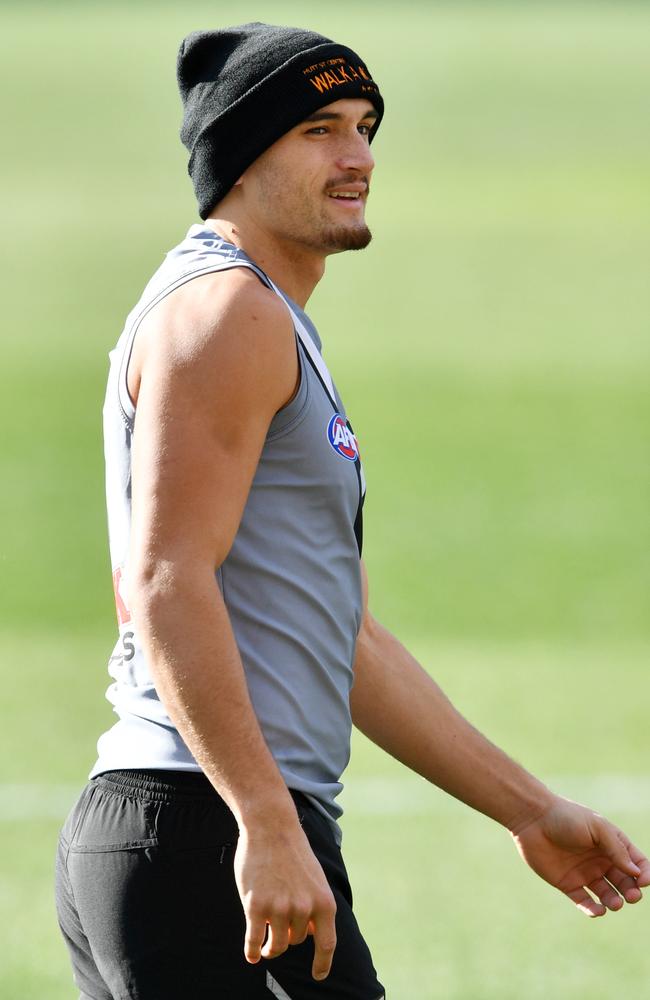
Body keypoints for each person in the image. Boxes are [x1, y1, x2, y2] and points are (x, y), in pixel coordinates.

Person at [55, 22, 649, 1000]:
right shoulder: (227, 314)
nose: (359, 156)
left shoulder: (267, 318)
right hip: (204, 830)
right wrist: (265, 820)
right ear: (241, 159)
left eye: (365, 126)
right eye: (319, 129)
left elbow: (350, 644)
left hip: (212, 831)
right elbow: (165, 580)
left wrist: (529, 812)